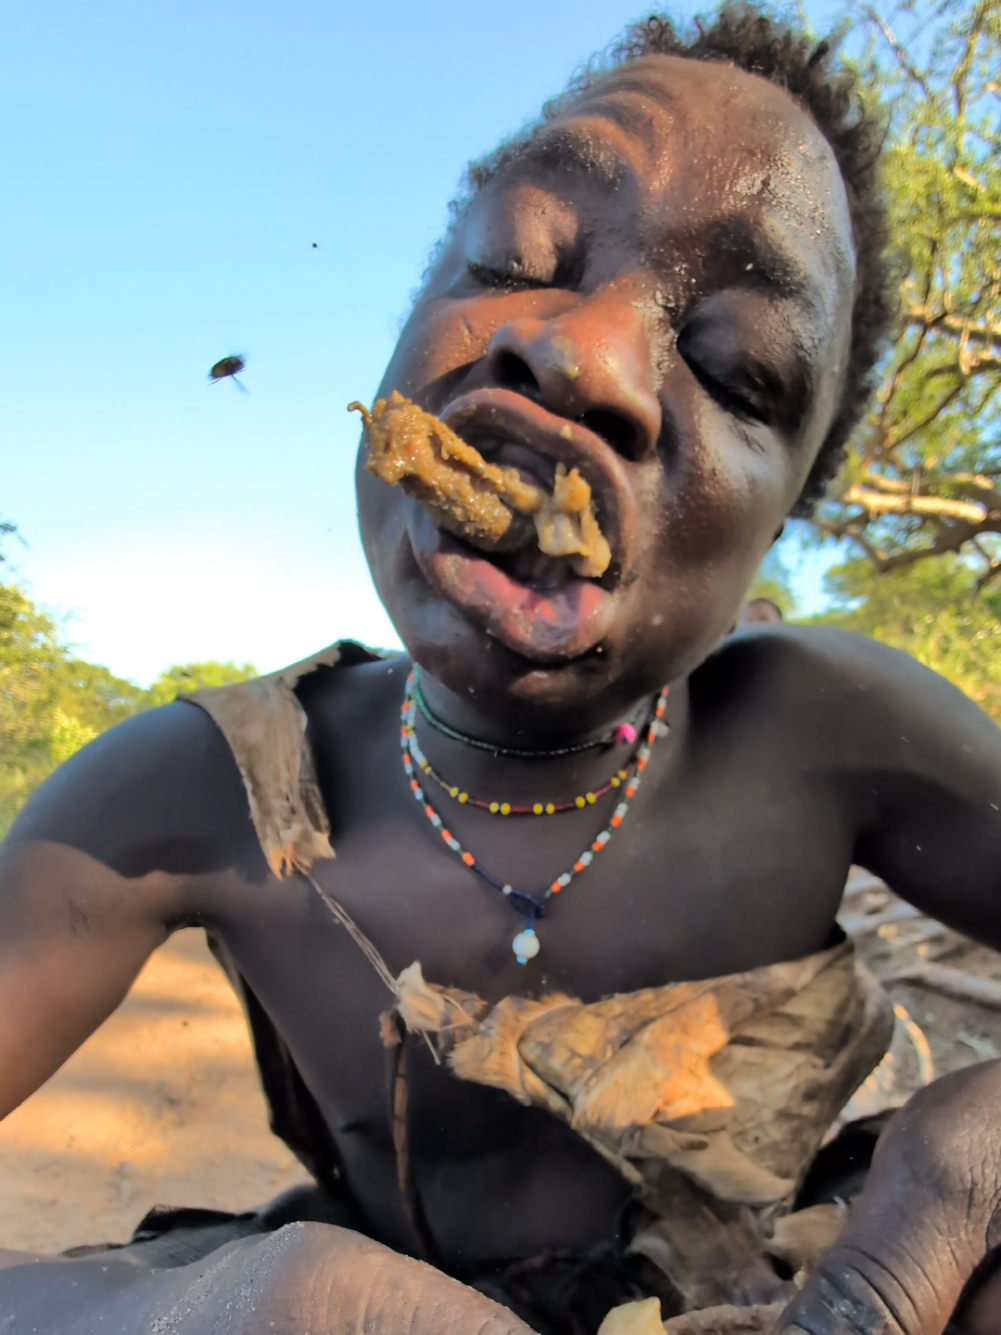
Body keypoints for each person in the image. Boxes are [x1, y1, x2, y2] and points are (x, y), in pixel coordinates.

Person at [1, 7, 1000, 1333]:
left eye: (735, 366)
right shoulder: (196, 790)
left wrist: (963, 1152)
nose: (586, 354)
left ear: (785, 519)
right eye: (513, 257)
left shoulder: (830, 733)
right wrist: (182, 1308)